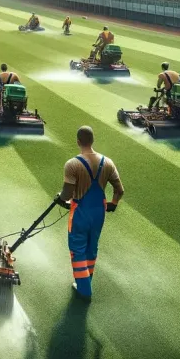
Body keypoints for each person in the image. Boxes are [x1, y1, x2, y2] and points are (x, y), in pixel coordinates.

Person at [55, 126, 124, 300]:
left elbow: (67, 194)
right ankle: (87, 279)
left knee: (77, 249)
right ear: (92, 141)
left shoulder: (72, 164)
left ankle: (84, 289)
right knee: (91, 247)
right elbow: (119, 190)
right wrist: (113, 203)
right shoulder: (108, 162)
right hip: (99, 212)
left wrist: (60, 198)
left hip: (80, 212)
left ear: (78, 141)